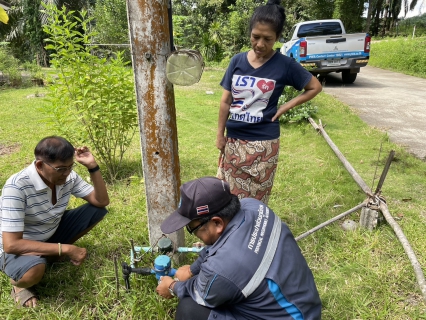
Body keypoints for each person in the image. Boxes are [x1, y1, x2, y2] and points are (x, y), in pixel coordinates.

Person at [156, 176, 321, 319]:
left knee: (189, 310)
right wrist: (192, 270)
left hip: (291, 316)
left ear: (217, 223)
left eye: (192, 228)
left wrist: (171, 287)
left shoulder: (221, 270)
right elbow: (216, 245)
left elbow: (200, 291)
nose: (194, 234)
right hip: (305, 308)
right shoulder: (253, 206)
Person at [216, 0, 322, 204]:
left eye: (268, 39)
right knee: (229, 198)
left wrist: (285, 107)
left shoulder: (284, 64)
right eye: (256, 37)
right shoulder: (237, 61)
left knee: (256, 201)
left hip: (264, 145)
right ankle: (235, 235)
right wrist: (220, 135)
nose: (260, 44)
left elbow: (314, 87)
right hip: (234, 141)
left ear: (277, 38)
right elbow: (225, 101)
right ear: (250, 32)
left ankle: (255, 234)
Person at [0, 136, 110, 307]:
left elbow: (101, 201)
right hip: (17, 248)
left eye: (70, 167)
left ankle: (49, 255)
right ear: (39, 165)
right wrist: (65, 248)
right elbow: (11, 245)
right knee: (34, 271)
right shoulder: (16, 187)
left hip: (48, 231)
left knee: (96, 211)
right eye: (60, 169)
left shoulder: (68, 177)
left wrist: (92, 166)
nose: (67, 174)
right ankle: (18, 286)